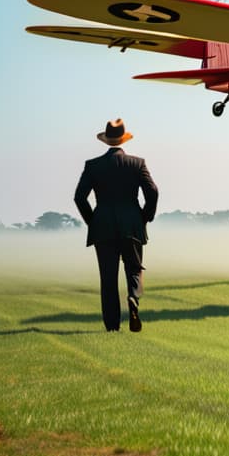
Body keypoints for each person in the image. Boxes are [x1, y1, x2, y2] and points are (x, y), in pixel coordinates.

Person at [73, 118, 158, 332]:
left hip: (103, 227)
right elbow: (153, 192)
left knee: (108, 278)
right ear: (123, 139)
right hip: (132, 225)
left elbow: (79, 198)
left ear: (106, 139)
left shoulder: (92, 166)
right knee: (135, 269)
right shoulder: (137, 163)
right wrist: (145, 217)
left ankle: (112, 327)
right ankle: (133, 297)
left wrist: (93, 221)